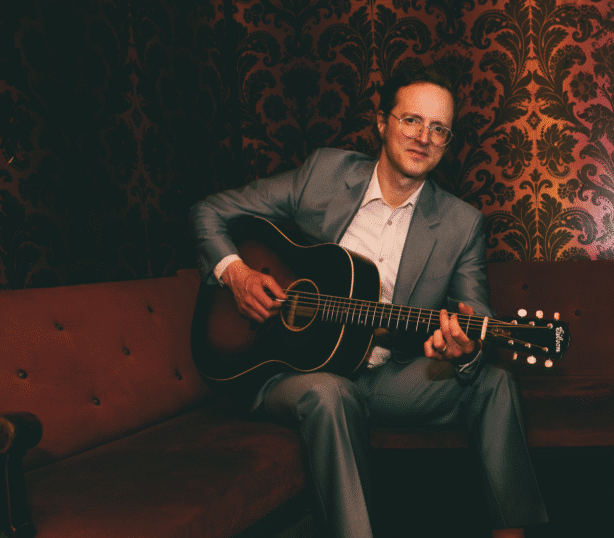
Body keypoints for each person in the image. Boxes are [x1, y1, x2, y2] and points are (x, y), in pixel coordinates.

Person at [190, 65, 547, 537]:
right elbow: (209, 212)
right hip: (284, 367)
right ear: (382, 123)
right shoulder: (323, 174)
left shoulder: (462, 225)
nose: (423, 137)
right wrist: (235, 273)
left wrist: (466, 348)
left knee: (493, 382)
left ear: (447, 143)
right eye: (411, 121)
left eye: (438, 129)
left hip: (384, 378)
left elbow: (474, 315)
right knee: (329, 392)